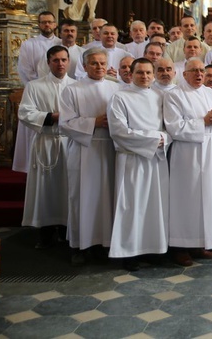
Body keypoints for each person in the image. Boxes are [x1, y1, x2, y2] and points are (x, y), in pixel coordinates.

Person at [163, 58, 212, 265]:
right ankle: (180, 246)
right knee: (186, 200)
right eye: (193, 70)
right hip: (187, 154)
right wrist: (203, 121)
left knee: (209, 199)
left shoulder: (211, 93)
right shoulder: (174, 95)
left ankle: (200, 243)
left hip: (211, 151)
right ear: (184, 74)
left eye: (202, 70)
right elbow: (173, 126)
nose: (199, 74)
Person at [107, 58, 171, 271]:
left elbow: (168, 127)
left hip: (156, 159)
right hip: (132, 159)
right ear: (130, 74)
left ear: (153, 75)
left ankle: (155, 249)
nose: (144, 77)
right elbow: (119, 131)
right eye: (139, 73)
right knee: (132, 206)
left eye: (148, 73)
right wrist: (155, 139)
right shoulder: (119, 97)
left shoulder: (159, 96)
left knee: (155, 205)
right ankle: (130, 252)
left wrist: (163, 139)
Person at [60, 48, 120, 265]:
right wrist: (94, 122)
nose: (99, 67)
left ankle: (105, 243)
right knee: (82, 197)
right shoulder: (72, 90)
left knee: (107, 197)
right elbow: (64, 124)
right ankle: (80, 245)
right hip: (84, 149)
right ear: (84, 66)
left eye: (103, 63)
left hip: (110, 149)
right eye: (94, 63)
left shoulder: (116, 88)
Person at [19, 46, 74, 248]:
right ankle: (45, 232)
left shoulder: (76, 86)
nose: (60, 64)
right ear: (48, 62)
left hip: (70, 143)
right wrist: (52, 117)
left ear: (69, 61)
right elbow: (25, 113)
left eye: (63, 60)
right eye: (55, 60)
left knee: (68, 188)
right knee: (46, 189)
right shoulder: (34, 86)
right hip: (47, 142)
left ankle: (67, 230)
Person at [13, 11, 62, 173]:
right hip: (36, 90)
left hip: (60, 88)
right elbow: (24, 69)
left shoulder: (62, 43)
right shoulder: (29, 44)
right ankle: (29, 166)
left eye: (50, 22)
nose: (47, 25)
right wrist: (40, 85)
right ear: (39, 25)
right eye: (43, 22)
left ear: (55, 24)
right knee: (34, 126)